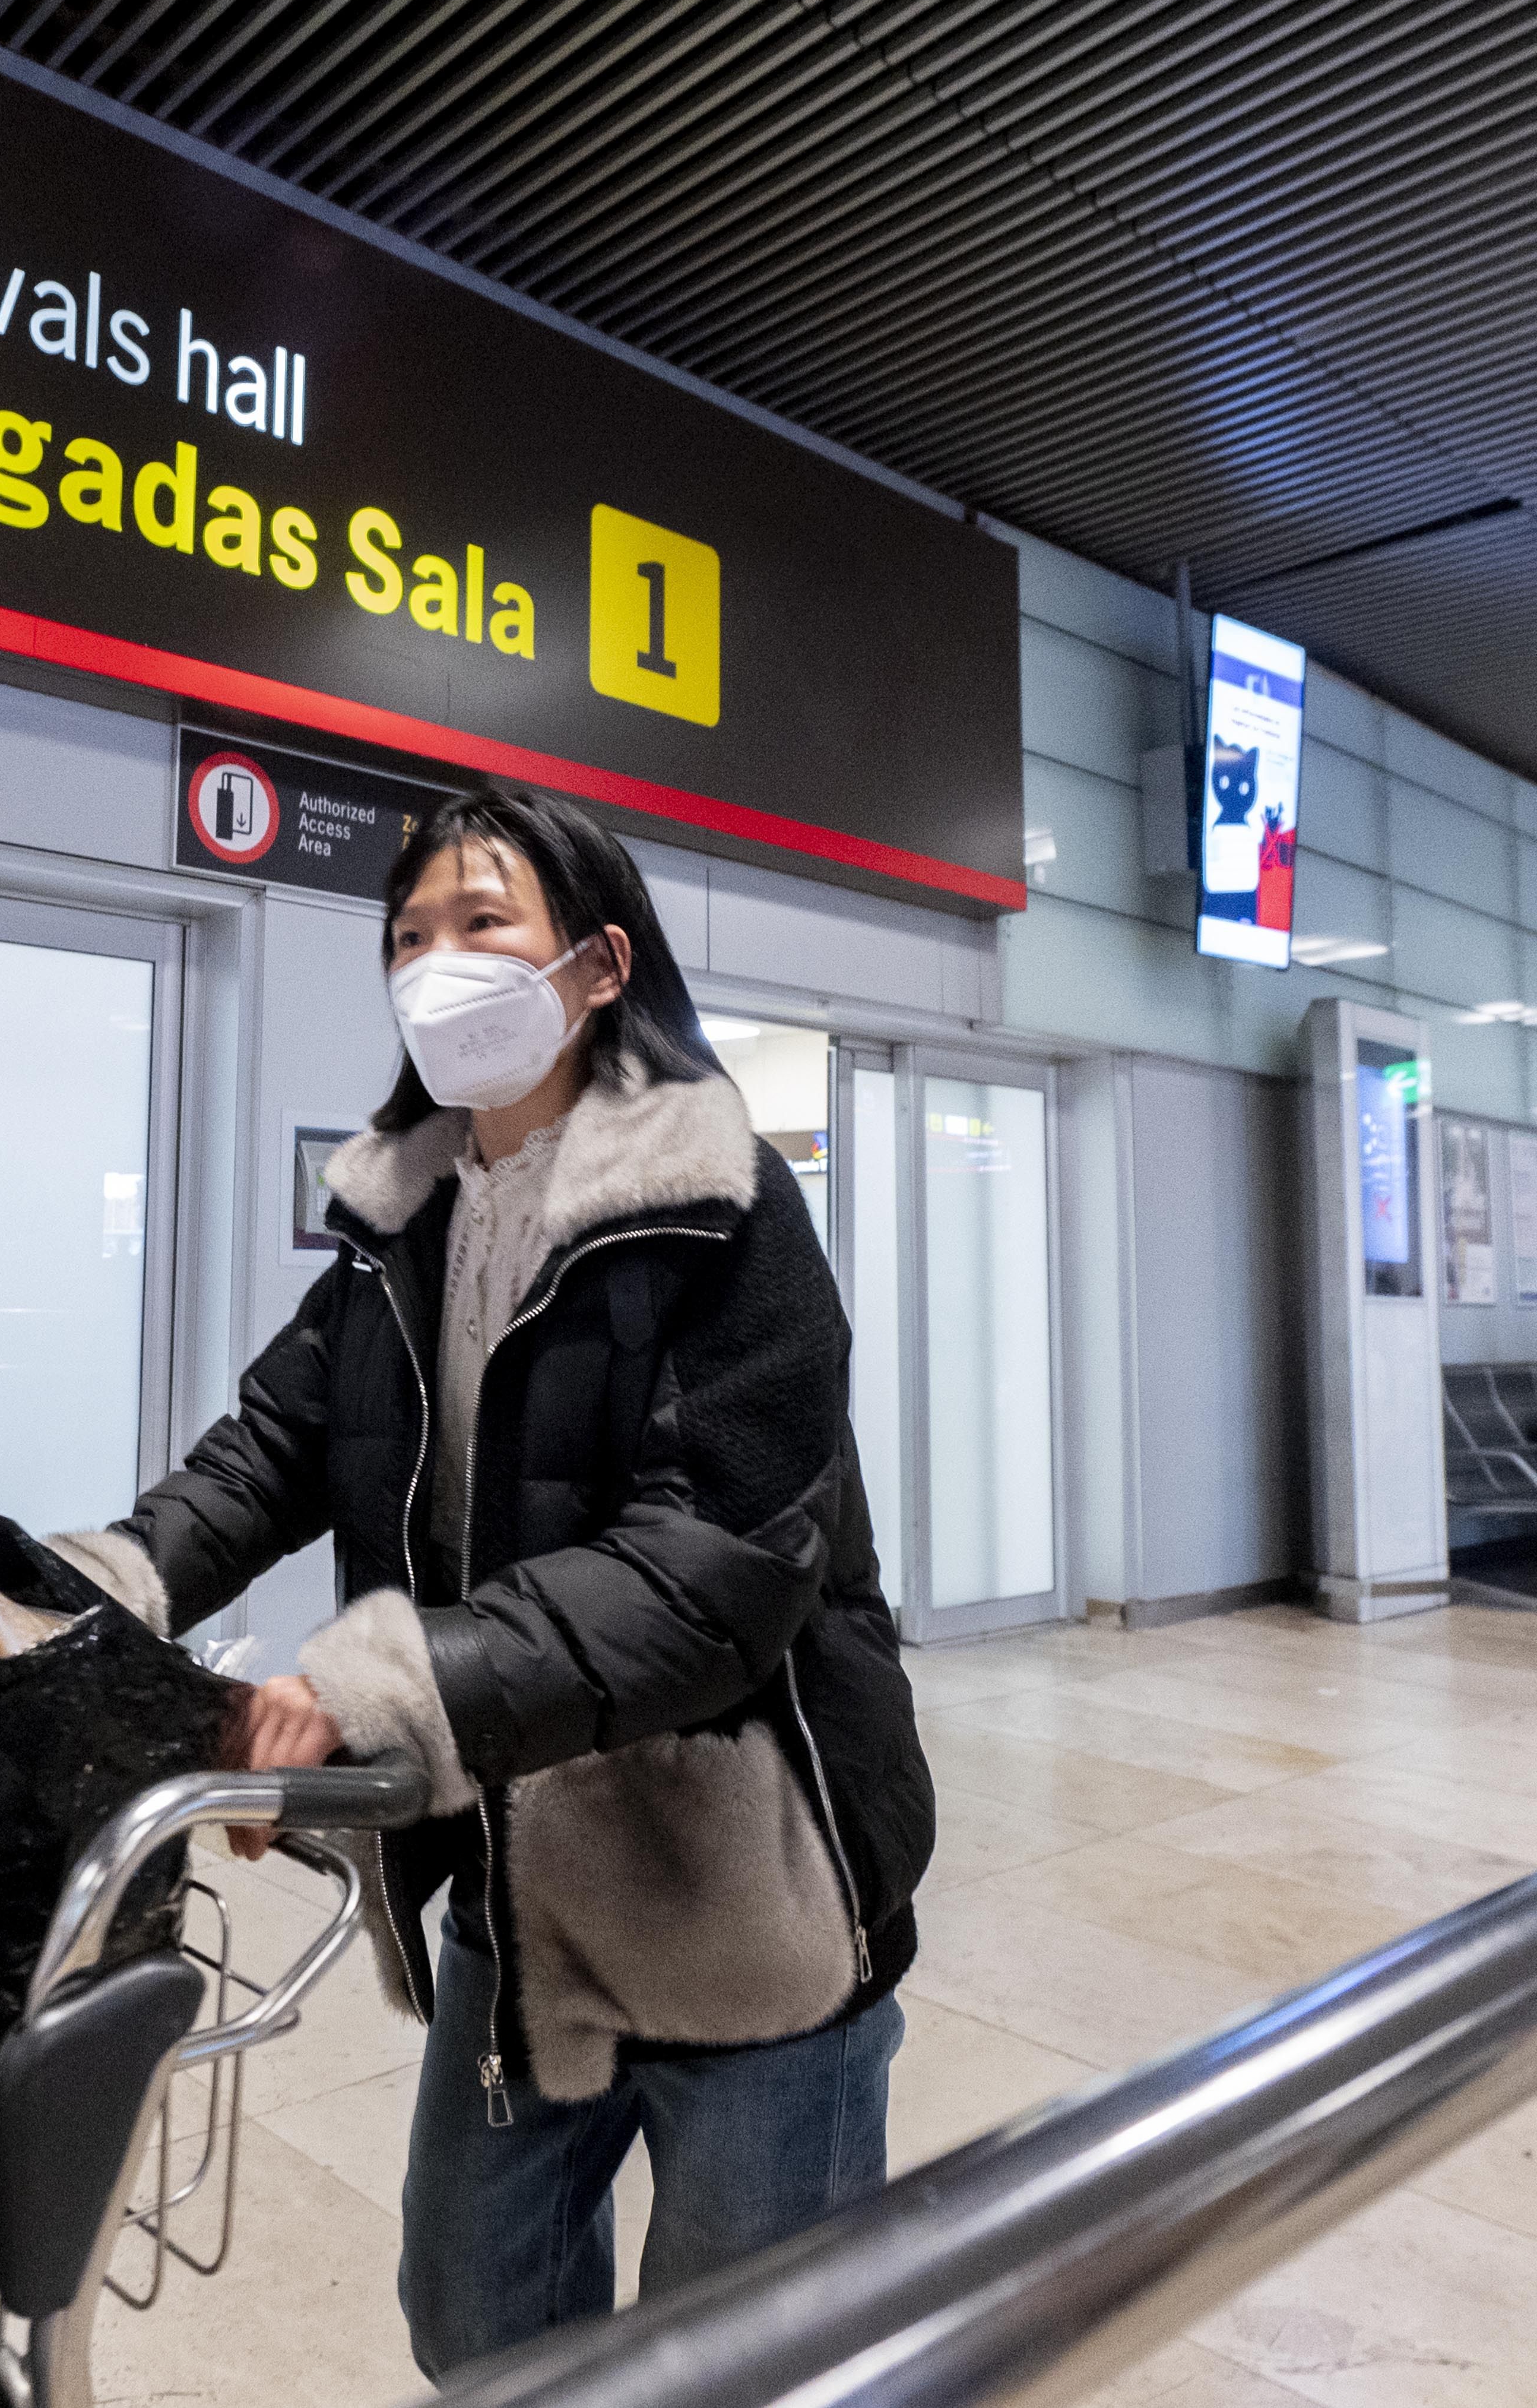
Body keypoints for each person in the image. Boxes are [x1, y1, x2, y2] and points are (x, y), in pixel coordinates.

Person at [48, 789, 930, 2377]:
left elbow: (704, 1578)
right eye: (405, 935)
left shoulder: (722, 1210)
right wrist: (85, 1590)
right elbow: (266, 1451)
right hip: (516, 1901)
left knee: (737, 2358)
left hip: (748, 1900)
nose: (433, 965)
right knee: (478, 2322)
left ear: (594, 966)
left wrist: (364, 1688)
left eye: (480, 925)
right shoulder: (402, 1219)